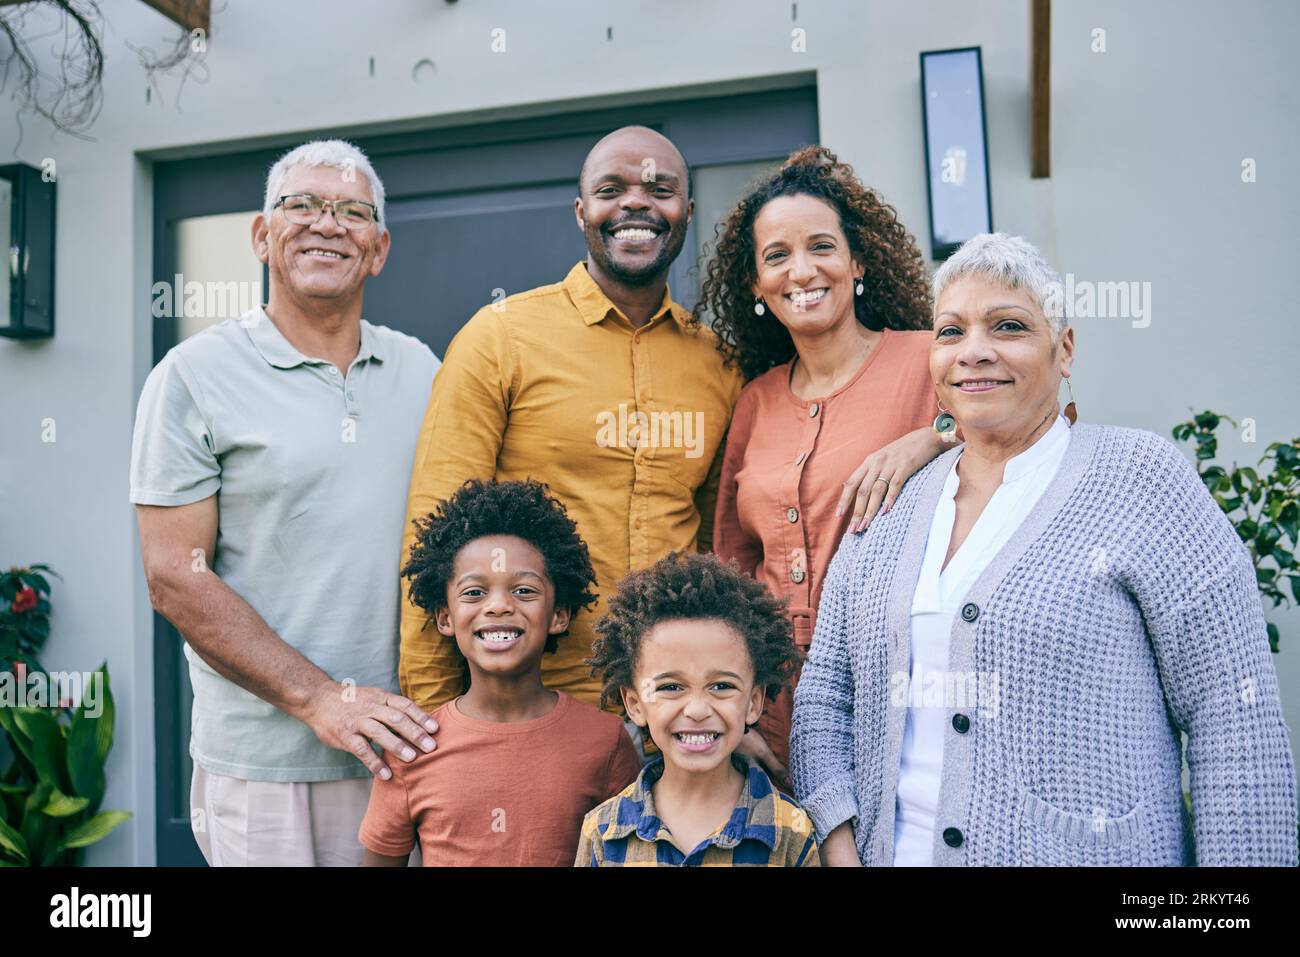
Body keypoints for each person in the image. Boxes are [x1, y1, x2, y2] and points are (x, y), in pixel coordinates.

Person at [790, 232, 1298, 866]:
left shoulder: (1142, 482)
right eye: (951, 333)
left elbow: (1234, 711)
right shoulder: (890, 504)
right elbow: (824, 698)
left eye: (1008, 326)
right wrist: (839, 847)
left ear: (1065, 349)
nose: (974, 352)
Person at [131, 140, 442, 866]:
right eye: (299, 205)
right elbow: (175, 573)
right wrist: (321, 699)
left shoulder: (421, 369)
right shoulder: (193, 376)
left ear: (380, 247)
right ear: (261, 235)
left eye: (350, 211)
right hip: (265, 766)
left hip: (405, 752)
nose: (325, 224)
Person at [704, 146, 951, 790]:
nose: (801, 271)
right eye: (776, 256)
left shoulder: (928, 360)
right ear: (757, 285)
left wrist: (932, 437)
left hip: (897, 690)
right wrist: (740, 713)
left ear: (857, 261)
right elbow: (731, 570)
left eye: (821, 247)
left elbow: (1037, 424)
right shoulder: (755, 401)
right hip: (775, 708)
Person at [360, 479, 641, 866]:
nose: (498, 606)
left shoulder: (605, 741)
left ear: (558, 615)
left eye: (524, 591)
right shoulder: (412, 747)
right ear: (445, 618)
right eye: (474, 592)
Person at [576, 551, 818, 866]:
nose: (698, 709)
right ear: (635, 704)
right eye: (671, 687)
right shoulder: (603, 832)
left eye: (721, 686)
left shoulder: (791, 831)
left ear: (754, 703)